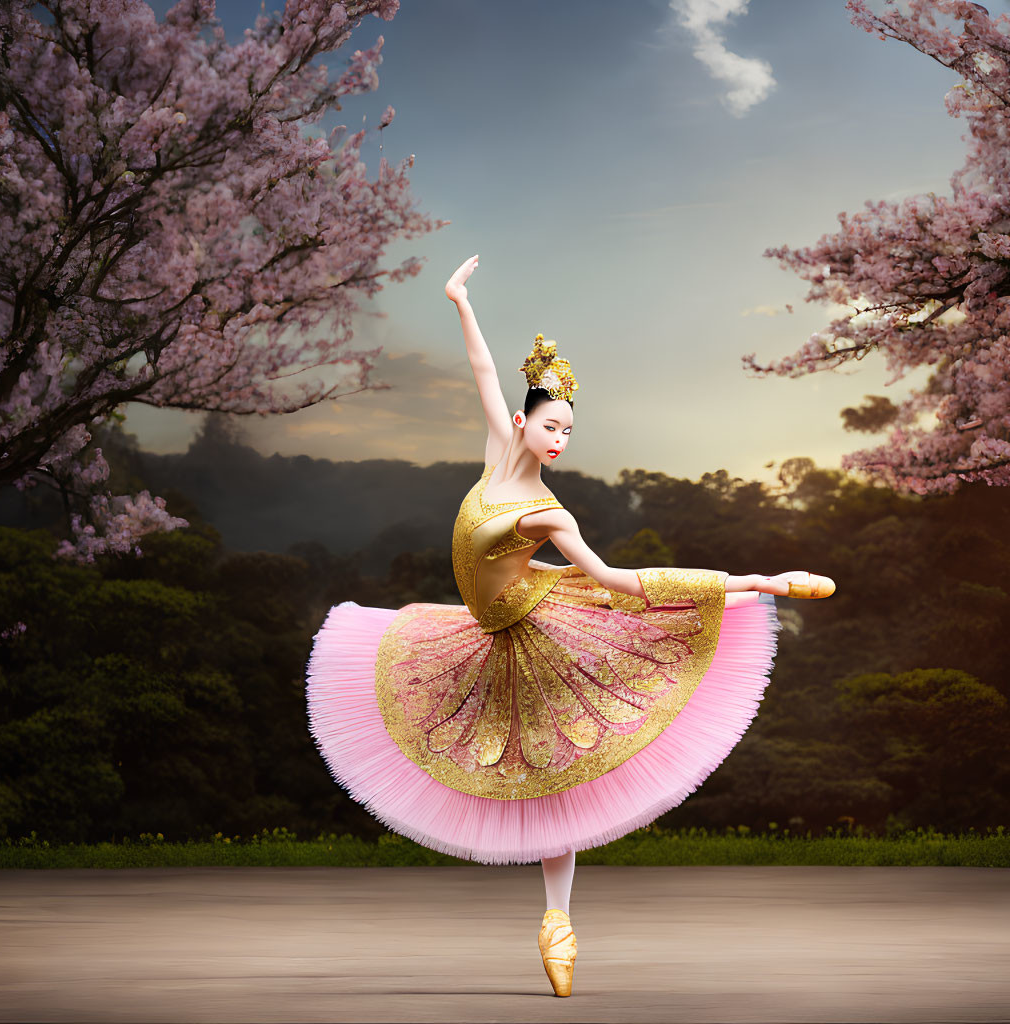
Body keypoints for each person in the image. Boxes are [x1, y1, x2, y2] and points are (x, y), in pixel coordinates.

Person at [305, 254, 836, 998]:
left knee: (560, 771)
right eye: (552, 426)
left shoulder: (551, 512)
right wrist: (459, 300)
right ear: (523, 424)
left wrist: (749, 576)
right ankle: (557, 918)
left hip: (543, 625)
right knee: (499, 754)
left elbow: (619, 582)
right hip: (483, 625)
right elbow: (484, 373)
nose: (560, 441)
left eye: (570, 432)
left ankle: (558, 920)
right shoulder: (497, 453)